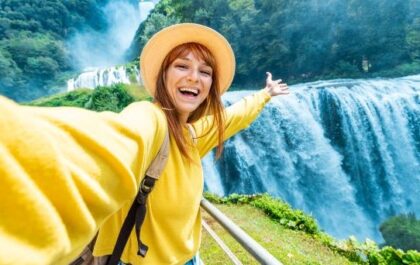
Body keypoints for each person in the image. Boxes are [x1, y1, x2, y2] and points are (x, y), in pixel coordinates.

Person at [0, 23, 288, 265]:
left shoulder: (192, 136)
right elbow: (108, 142)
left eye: (205, 71)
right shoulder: (149, 119)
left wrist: (265, 94)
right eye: (182, 65)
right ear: (163, 75)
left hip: (189, 258)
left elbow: (234, 116)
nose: (193, 76)